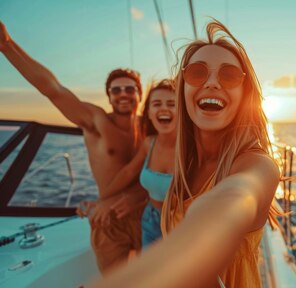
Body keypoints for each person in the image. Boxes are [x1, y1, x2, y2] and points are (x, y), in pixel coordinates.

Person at [91, 19, 280, 287]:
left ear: (244, 93)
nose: (212, 82)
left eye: (229, 75)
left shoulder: (258, 165)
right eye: (197, 73)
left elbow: (237, 196)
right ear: (183, 89)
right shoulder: (183, 159)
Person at [0, 21, 146, 273]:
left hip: (149, 213)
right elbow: (53, 89)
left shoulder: (152, 127)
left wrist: (138, 198)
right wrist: (7, 46)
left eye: (130, 89)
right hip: (109, 219)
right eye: (116, 90)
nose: (123, 94)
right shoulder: (96, 121)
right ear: (109, 96)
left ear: (140, 94)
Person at [100, 79, 176, 248]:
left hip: (182, 225)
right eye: (157, 104)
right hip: (150, 219)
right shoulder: (149, 143)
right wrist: (101, 200)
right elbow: (128, 172)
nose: (164, 108)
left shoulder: (193, 150)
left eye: (172, 104)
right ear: (148, 112)